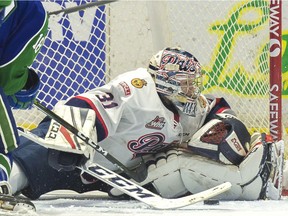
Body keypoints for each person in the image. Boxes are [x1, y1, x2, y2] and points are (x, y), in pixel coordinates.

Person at [8, 47, 283, 203]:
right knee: (22, 166)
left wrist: (229, 128)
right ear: (166, 80)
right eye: (186, 82)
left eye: (194, 82)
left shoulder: (189, 106)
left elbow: (218, 109)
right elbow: (87, 104)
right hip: (74, 154)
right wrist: (71, 141)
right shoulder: (139, 88)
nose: (193, 89)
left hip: (109, 176)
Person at [0, 0, 48, 210]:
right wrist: (23, 83)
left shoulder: (31, 12)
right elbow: (7, 79)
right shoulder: (34, 13)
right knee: (3, 147)